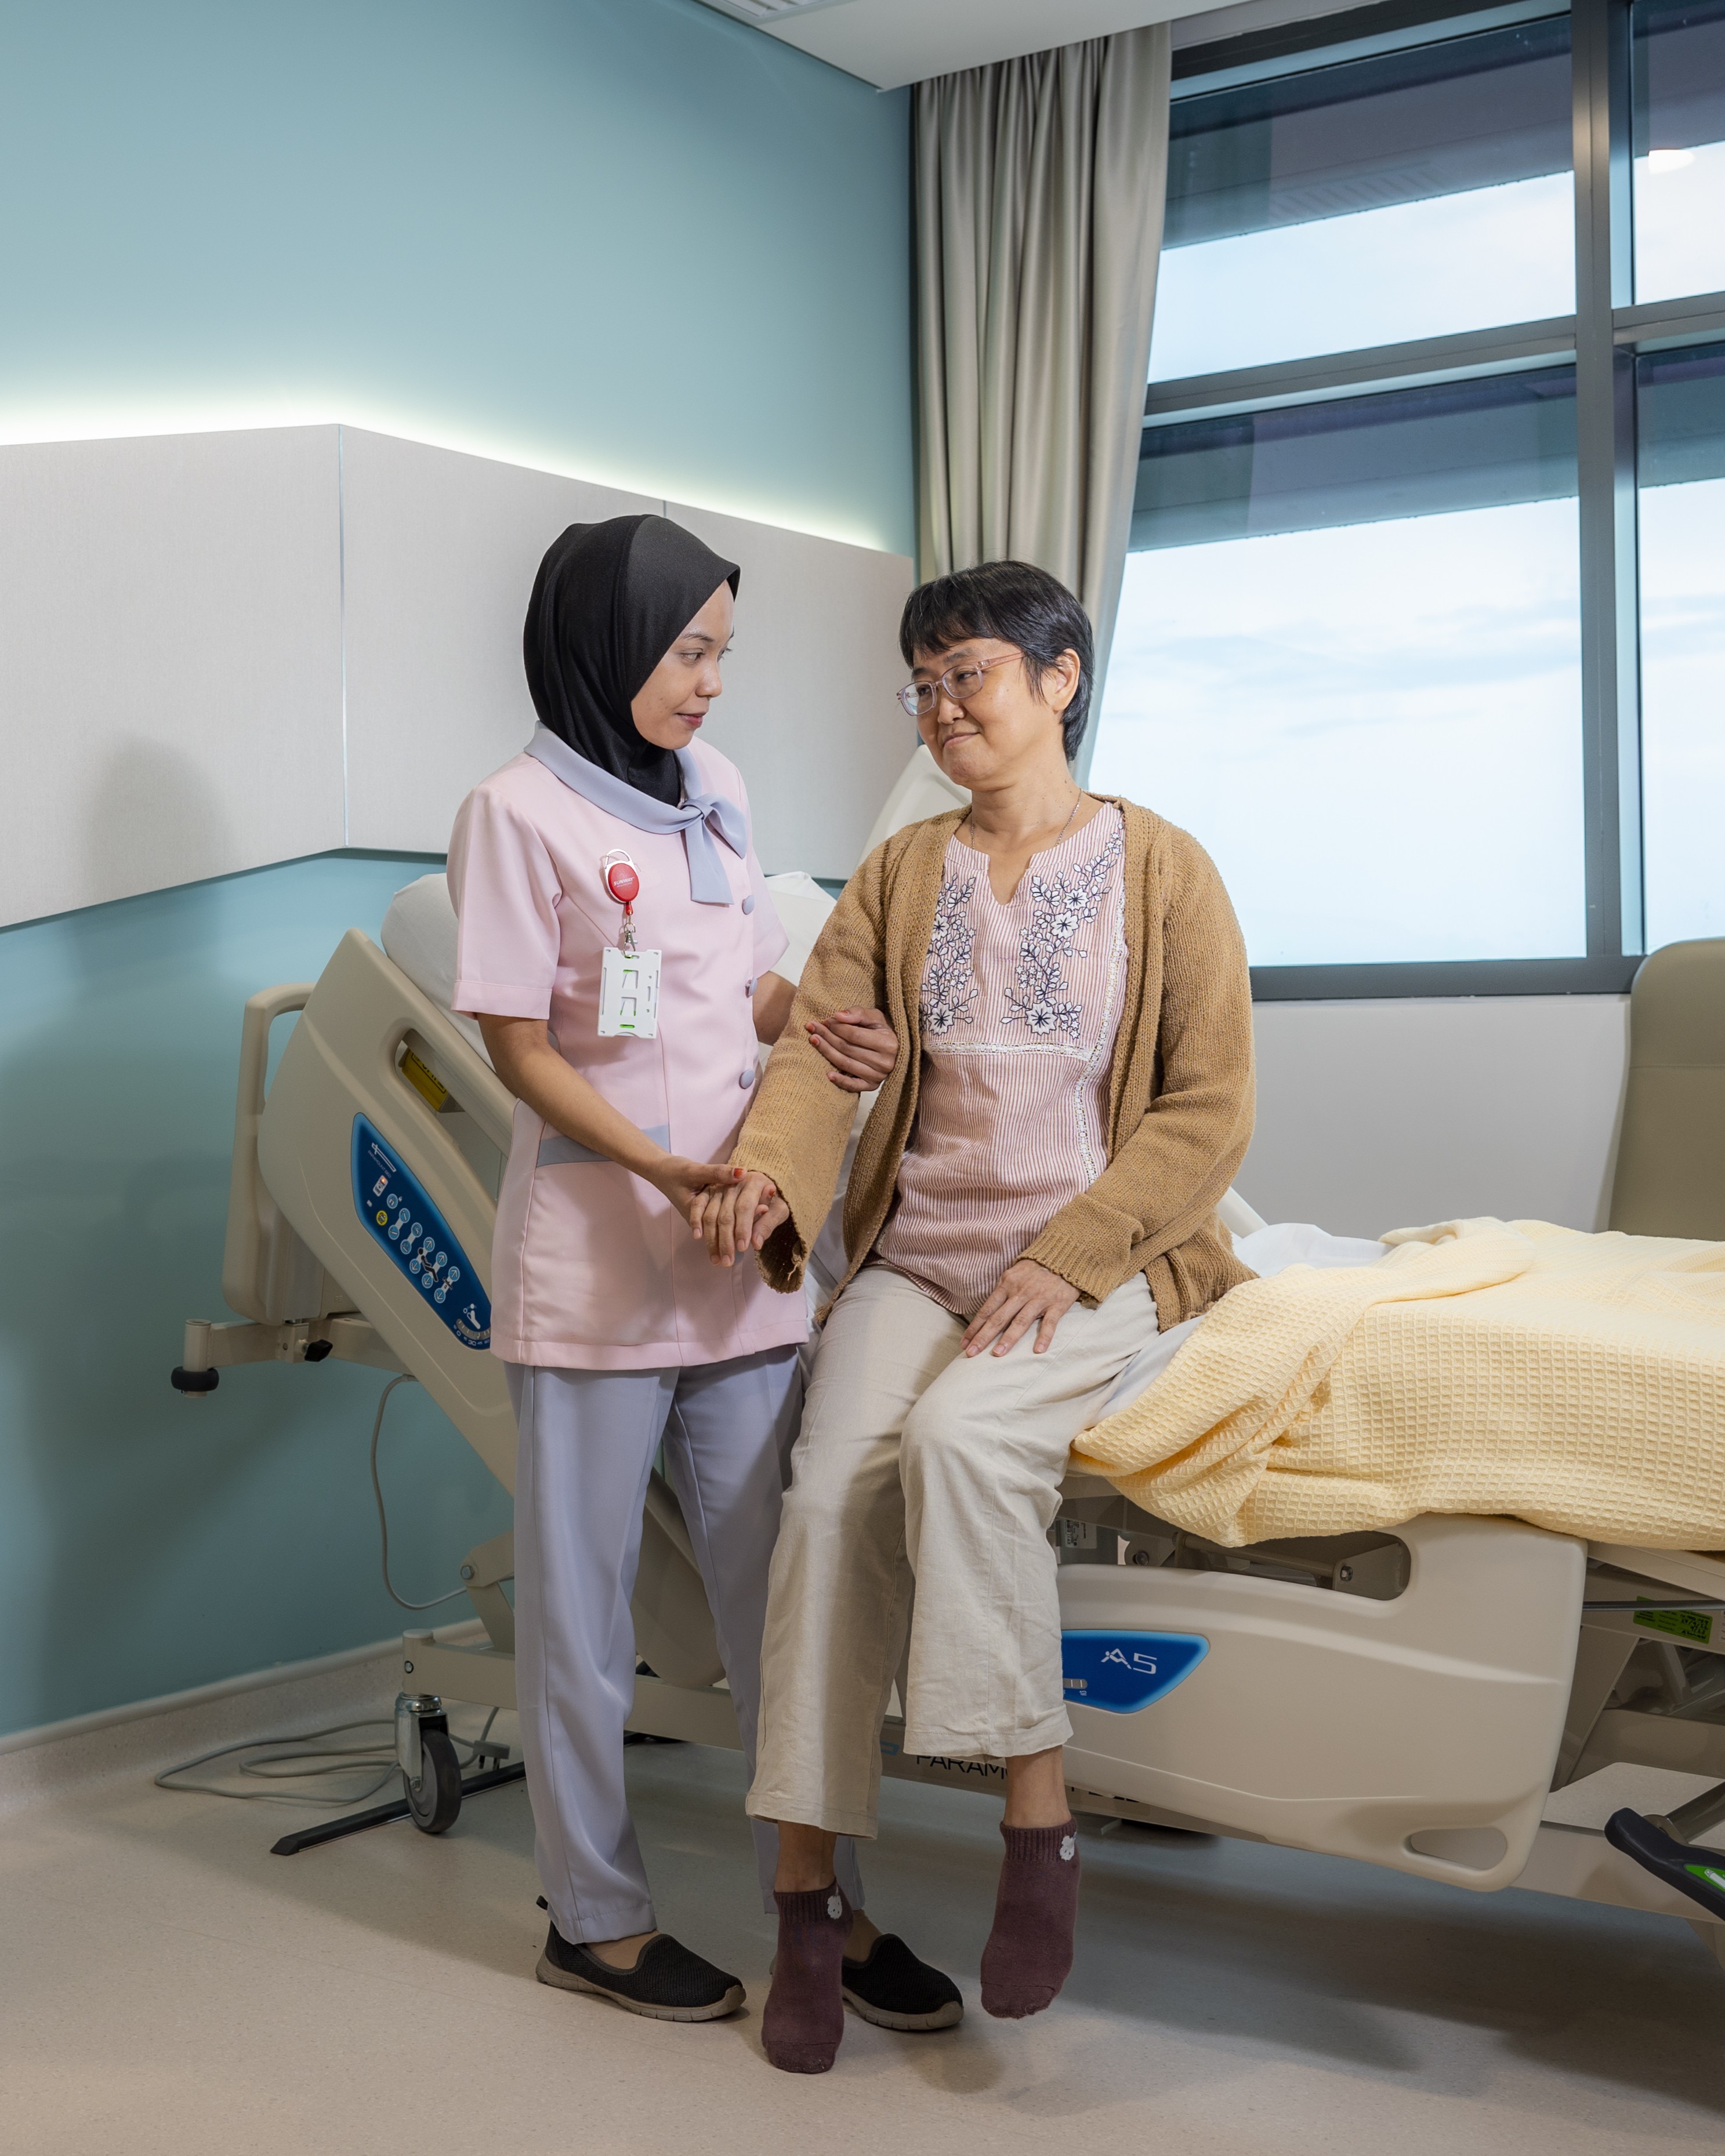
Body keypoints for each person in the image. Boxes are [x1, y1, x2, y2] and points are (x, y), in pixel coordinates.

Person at [694, 559, 1256, 2072]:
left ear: (1059, 680)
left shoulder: (1164, 870)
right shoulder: (899, 876)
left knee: (959, 1443)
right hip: (917, 1257)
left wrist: (1072, 1253)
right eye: (924, 685)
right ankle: (805, 1901)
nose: (944, 709)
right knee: (824, 1504)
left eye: (973, 676)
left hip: (1089, 1261)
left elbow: (1208, 1108)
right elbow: (817, 1063)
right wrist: (768, 1180)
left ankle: (1037, 1822)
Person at [447, 514, 961, 2030]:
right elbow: (521, 1046)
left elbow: (744, 983)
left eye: (723, 652)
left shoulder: (718, 790)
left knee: (781, 1606)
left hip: (744, 1255)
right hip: (601, 1264)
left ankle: (827, 1909)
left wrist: (821, 1024)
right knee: (583, 1624)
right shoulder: (516, 814)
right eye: (689, 651)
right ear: (609, 645)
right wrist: (666, 1171)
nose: (711, 682)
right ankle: (595, 1920)